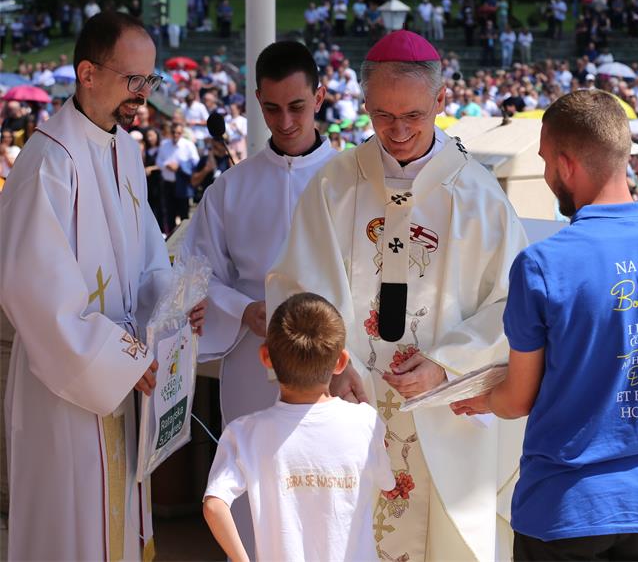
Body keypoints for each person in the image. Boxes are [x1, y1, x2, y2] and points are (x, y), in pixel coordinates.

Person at [266, 30, 529, 561]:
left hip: (443, 413)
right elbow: (296, 289)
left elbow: (515, 305)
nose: (399, 131)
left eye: (413, 115)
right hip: (350, 405)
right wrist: (329, 364)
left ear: (440, 102)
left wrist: (446, 365)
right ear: (364, 105)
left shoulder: (478, 196)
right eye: (383, 116)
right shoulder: (335, 185)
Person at [451, 90, 638, 561]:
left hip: (564, 508)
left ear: (568, 165)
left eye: (547, 161)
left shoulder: (542, 264)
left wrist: (481, 399)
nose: (548, 174)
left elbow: (517, 399)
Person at [0, 11, 204, 560]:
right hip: (65, 383)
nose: (144, 95)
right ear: (88, 73)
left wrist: (174, 315)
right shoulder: (49, 160)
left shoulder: (125, 150)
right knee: (73, 526)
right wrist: (118, 358)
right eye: (133, 80)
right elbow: (30, 289)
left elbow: (147, 261)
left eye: (150, 80)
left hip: (124, 373)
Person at [183, 40, 338, 556]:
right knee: (252, 490)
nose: (285, 121)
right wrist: (240, 308)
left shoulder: (351, 181)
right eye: (271, 108)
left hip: (332, 367)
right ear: (256, 100)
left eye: (297, 106)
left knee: (329, 492)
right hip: (253, 358)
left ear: (319, 96)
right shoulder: (231, 189)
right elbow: (197, 272)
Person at [203, 293, 394, 562]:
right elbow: (386, 483)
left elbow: (214, 505)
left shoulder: (245, 433)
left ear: (265, 357)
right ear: (341, 362)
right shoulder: (366, 423)